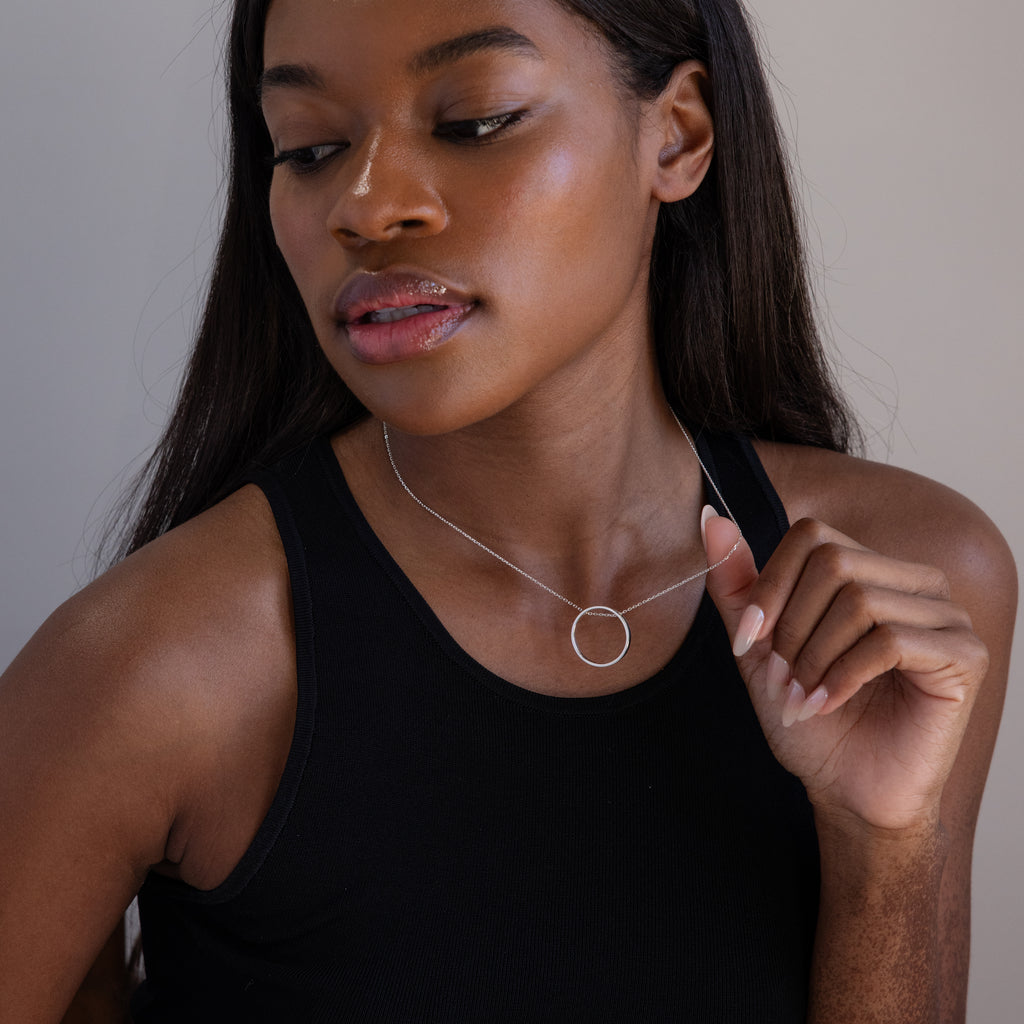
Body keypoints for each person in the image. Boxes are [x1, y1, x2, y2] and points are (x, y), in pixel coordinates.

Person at [0, 0, 1015, 1020]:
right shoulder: (160, 669)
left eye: (473, 120)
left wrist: (885, 845)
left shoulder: (915, 588)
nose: (365, 204)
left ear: (678, 134)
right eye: (308, 147)